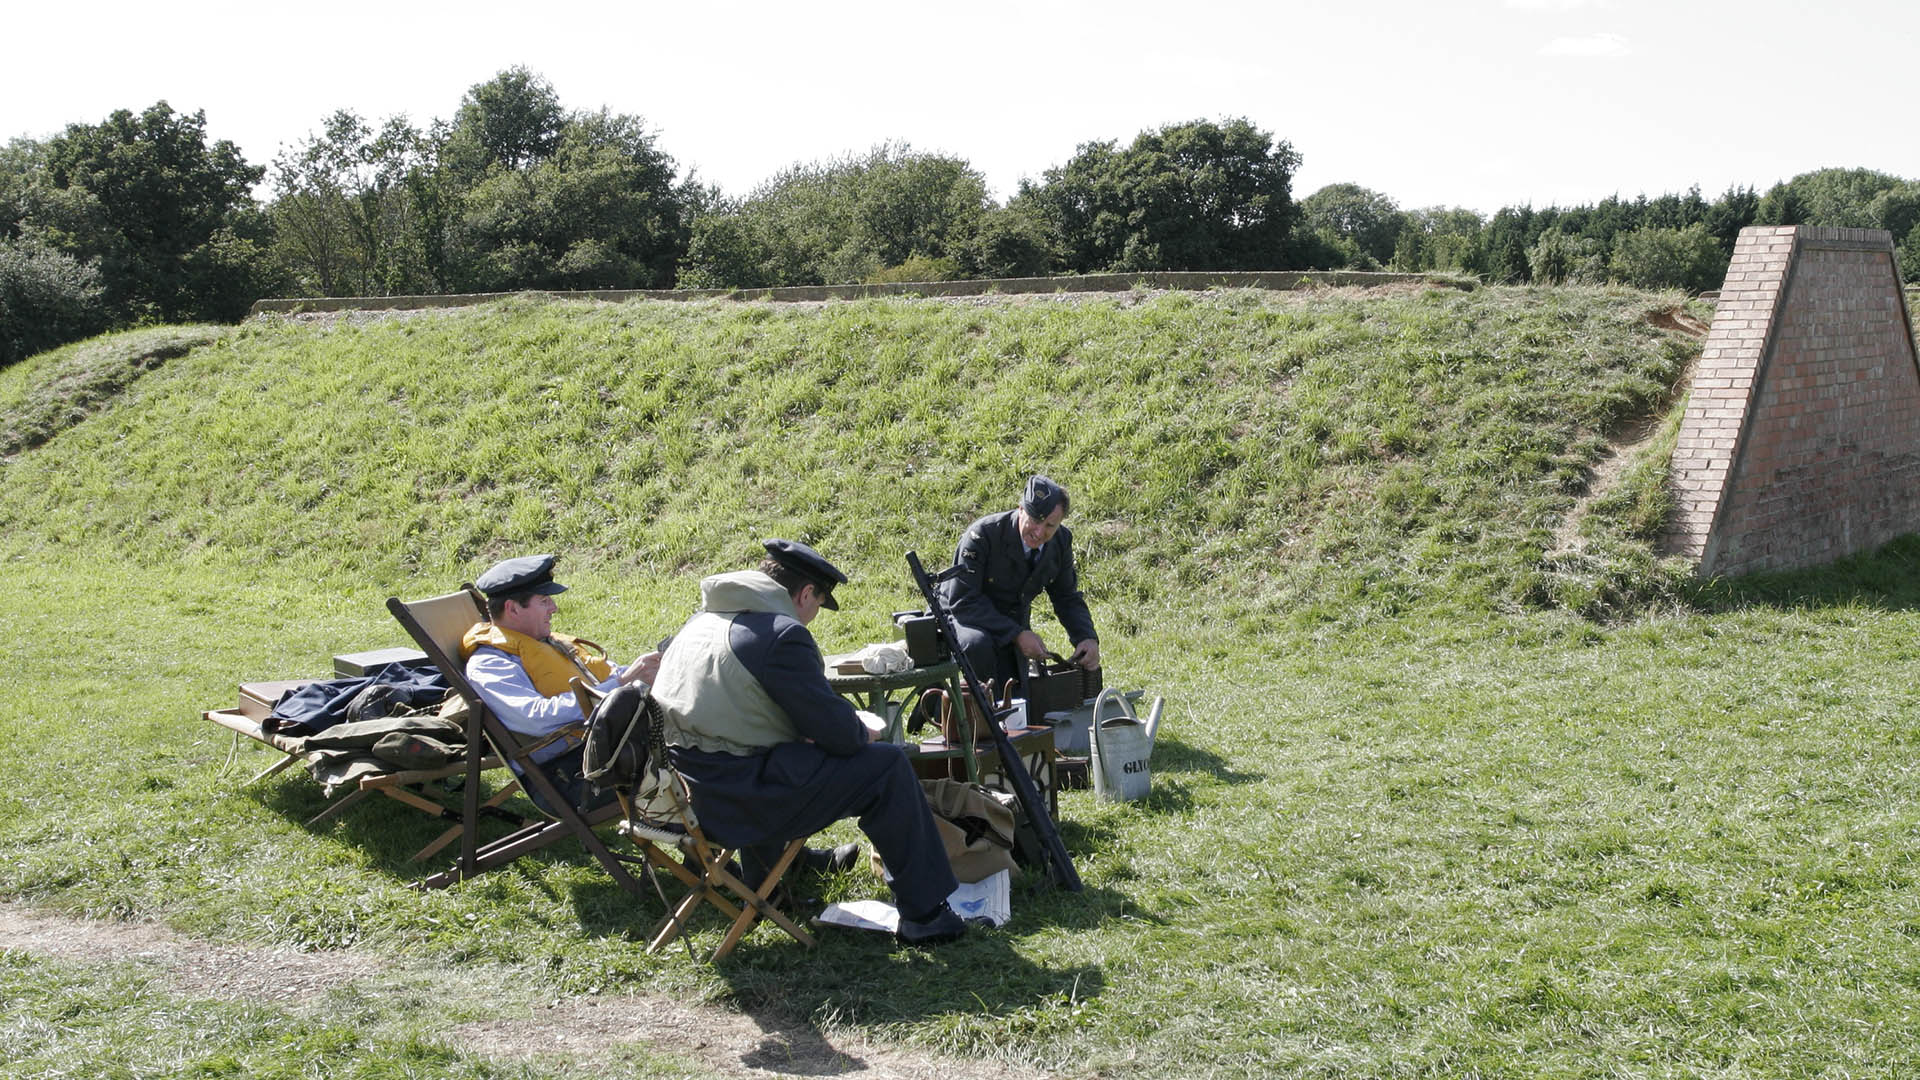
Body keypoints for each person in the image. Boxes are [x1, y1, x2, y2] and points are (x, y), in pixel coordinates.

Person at [650, 539, 968, 945]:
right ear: (804, 595)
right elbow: (841, 738)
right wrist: (861, 728)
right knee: (885, 766)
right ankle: (926, 914)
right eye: (817, 605)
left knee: (782, 756)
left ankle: (772, 881)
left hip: (683, 795)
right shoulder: (781, 636)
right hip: (736, 803)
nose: (813, 617)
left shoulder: (699, 623)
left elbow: (740, 712)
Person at [461, 554, 661, 814]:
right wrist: (621, 683)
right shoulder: (491, 665)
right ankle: (700, 844)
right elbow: (536, 718)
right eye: (544, 601)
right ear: (512, 609)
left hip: (605, 749)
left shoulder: (542, 643)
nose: (553, 608)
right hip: (573, 776)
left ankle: (700, 845)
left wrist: (647, 671)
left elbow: (600, 677)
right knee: (699, 762)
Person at [938, 474, 1100, 693]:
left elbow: (1066, 597)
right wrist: (1016, 634)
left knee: (1017, 699)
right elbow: (963, 600)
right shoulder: (982, 535)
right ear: (1020, 509)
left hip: (1010, 619)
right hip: (963, 615)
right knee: (978, 645)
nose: (1039, 532)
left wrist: (1086, 637)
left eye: (1050, 525)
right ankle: (950, 707)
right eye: (1034, 520)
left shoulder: (1060, 541)